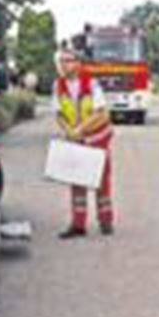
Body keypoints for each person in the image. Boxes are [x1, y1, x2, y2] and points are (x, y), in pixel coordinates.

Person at [54, 49, 114, 238]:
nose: (64, 65)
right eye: (62, 61)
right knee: (77, 182)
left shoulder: (92, 84)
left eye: (68, 61)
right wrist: (68, 131)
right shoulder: (58, 86)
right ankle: (78, 224)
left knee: (101, 182)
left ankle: (106, 222)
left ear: (79, 64)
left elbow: (102, 114)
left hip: (97, 139)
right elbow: (58, 114)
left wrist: (80, 130)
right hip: (76, 139)